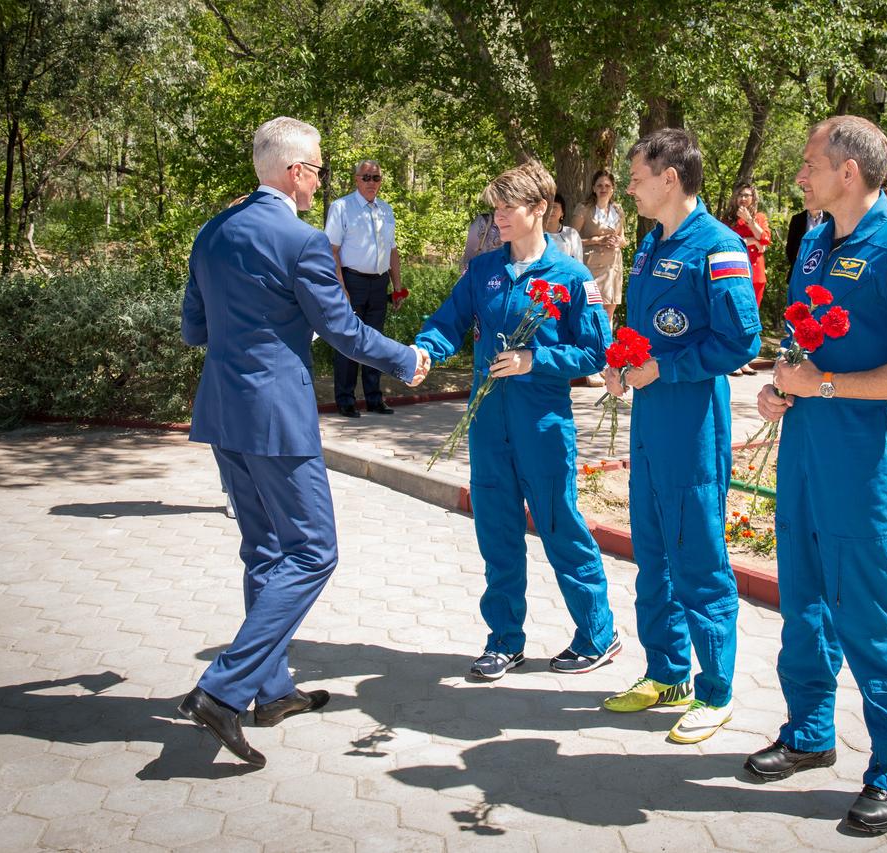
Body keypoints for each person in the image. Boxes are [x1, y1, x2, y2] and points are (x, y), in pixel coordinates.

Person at [178, 116, 427, 767]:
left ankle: (271, 688)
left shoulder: (212, 232)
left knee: (265, 549)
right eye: (317, 168)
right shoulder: (302, 240)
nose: (321, 178)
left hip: (223, 414)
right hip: (277, 419)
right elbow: (345, 331)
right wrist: (404, 358)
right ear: (294, 172)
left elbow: (194, 330)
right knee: (314, 551)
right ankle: (224, 688)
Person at [750, 116, 887, 835]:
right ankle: (809, 731)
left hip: (860, 457)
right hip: (806, 445)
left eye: (810, 162)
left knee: (869, 607)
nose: (800, 174)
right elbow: (802, 336)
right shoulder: (813, 240)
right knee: (803, 594)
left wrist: (826, 387)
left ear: (847, 171)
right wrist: (784, 386)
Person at [415, 161, 620, 681]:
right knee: (496, 531)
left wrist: (537, 362)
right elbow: (448, 322)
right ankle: (504, 639)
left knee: (559, 527)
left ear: (537, 211)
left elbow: (596, 351)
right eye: (494, 208)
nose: (497, 217)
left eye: (506, 208)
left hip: (543, 425)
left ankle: (597, 633)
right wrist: (422, 352)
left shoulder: (572, 277)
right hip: (487, 425)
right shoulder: (484, 270)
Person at [600, 128, 760, 744]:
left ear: (671, 177)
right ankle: (668, 673)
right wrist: (620, 363)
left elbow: (739, 341)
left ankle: (715, 690)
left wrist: (666, 367)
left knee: (698, 557)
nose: (630, 186)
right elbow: (641, 327)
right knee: (654, 553)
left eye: (637, 177)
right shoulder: (647, 245)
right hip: (649, 421)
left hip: (692, 422)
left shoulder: (718, 247)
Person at [324, 159, 406, 418]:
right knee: (349, 340)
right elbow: (332, 251)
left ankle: (373, 398)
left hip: (379, 282)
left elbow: (392, 250)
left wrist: (397, 287)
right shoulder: (341, 208)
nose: (372, 182)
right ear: (357, 179)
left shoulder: (386, 210)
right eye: (367, 177)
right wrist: (342, 288)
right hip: (352, 281)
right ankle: (346, 399)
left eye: (376, 177)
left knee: (375, 341)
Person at [726, 181, 772, 375]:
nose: (743, 198)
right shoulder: (729, 220)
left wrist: (751, 223)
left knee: (751, 319)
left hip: (757, 274)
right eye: (740, 195)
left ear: (753, 198)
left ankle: (745, 359)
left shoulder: (759, 217)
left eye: (747, 195)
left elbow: (766, 239)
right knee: (735, 316)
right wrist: (752, 241)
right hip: (737, 272)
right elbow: (729, 243)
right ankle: (733, 360)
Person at [572, 170, 627, 326]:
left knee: (609, 312)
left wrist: (618, 241)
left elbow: (623, 240)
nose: (604, 188)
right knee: (591, 309)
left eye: (607, 185)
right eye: (600, 185)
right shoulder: (583, 208)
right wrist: (597, 240)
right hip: (591, 266)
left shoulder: (618, 210)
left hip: (613, 267)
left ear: (613, 189)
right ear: (594, 188)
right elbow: (572, 239)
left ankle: (606, 349)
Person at [785, 205, 825, 281]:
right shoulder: (797, 219)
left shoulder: (831, 218)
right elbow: (790, 249)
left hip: (823, 273)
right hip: (800, 271)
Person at [545, 192, 584, 262]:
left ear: (562, 212)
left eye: (554, 207)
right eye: (548, 207)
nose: (551, 210)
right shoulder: (535, 234)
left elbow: (578, 262)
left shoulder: (572, 234)